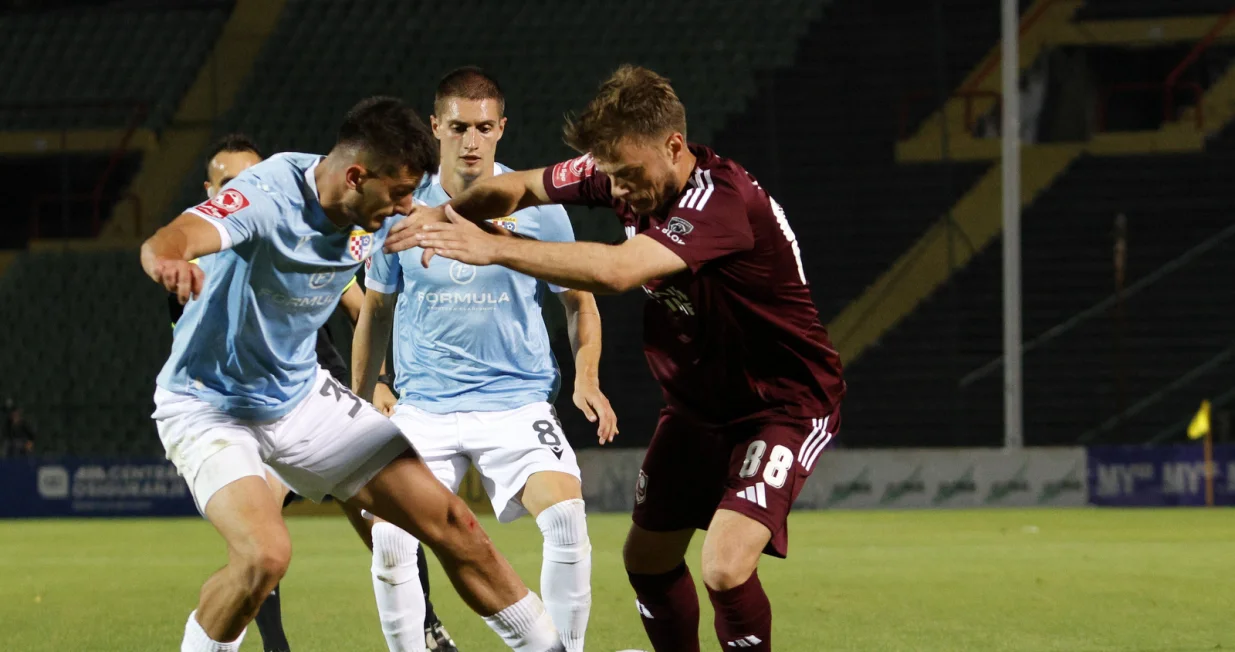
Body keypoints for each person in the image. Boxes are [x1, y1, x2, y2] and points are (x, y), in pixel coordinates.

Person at [385, 66, 846, 652]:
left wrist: (493, 246)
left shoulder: (720, 202)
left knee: (725, 566)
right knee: (647, 561)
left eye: (628, 175)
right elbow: (520, 187)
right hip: (697, 405)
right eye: (610, 175)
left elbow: (616, 271)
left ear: (673, 146)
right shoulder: (616, 167)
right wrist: (448, 216)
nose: (618, 189)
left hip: (781, 402)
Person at [143, 96, 565, 652]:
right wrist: (169, 263)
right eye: (398, 193)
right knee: (264, 556)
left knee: (453, 524)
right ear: (356, 176)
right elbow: (169, 239)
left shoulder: (377, 207)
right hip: (208, 403)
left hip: (300, 397)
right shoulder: (267, 198)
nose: (407, 206)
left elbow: (472, 202)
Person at [353, 67, 614, 652]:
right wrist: (365, 394)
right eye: (459, 126)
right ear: (435, 127)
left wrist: (586, 377)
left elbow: (581, 302)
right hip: (425, 409)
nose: (471, 141)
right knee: (392, 538)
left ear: (502, 128)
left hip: (516, 404)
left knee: (568, 518)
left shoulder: (537, 206)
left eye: (483, 127)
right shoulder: (402, 208)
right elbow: (375, 310)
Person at [173, 134, 456, 652]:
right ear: (211, 191)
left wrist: (377, 383)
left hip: (318, 393)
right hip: (251, 411)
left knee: (386, 523)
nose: (245, 191)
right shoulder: (199, 264)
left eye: (250, 180)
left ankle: (427, 625)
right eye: (230, 184)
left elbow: (357, 305)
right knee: (262, 542)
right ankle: (276, 644)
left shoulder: (294, 235)